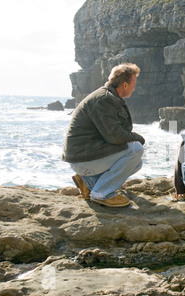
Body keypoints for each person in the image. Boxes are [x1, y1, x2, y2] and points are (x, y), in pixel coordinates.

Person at [62, 63, 145, 208]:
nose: (134, 87)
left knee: (137, 162)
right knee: (136, 149)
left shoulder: (110, 96)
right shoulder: (104, 99)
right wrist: (138, 138)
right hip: (82, 159)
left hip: (86, 155)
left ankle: (89, 183)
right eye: (134, 84)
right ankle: (102, 193)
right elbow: (114, 136)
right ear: (125, 85)